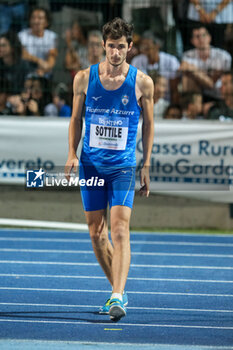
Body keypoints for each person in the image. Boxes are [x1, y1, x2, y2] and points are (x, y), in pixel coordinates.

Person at [64, 17, 154, 321]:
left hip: (123, 167)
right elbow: (76, 120)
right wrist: (71, 153)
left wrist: (147, 163)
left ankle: (117, 296)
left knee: (119, 229)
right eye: (111, 46)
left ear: (130, 48)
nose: (115, 52)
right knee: (96, 233)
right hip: (91, 165)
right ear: (104, 46)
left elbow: (150, 125)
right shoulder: (83, 78)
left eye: (121, 47)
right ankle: (118, 287)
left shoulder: (142, 82)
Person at [180, 25, 231, 99]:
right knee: (187, 77)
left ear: (209, 37)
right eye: (197, 36)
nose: (201, 39)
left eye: (203, 35)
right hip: (197, 93)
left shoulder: (223, 56)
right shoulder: (187, 55)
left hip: (219, 93)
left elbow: (212, 83)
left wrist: (195, 71)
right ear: (192, 41)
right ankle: (192, 106)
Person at [131, 31, 180, 103]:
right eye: (142, 46)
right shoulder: (137, 61)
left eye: (147, 46)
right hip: (143, 101)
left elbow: (175, 89)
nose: (144, 48)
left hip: (166, 101)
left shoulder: (171, 61)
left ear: (157, 45)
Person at [18, 7, 58, 78]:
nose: (36, 21)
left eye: (40, 18)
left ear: (46, 22)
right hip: (26, 72)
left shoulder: (52, 36)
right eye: (33, 18)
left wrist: (44, 70)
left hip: (44, 72)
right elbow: (22, 54)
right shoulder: (22, 35)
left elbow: (52, 57)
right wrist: (39, 61)